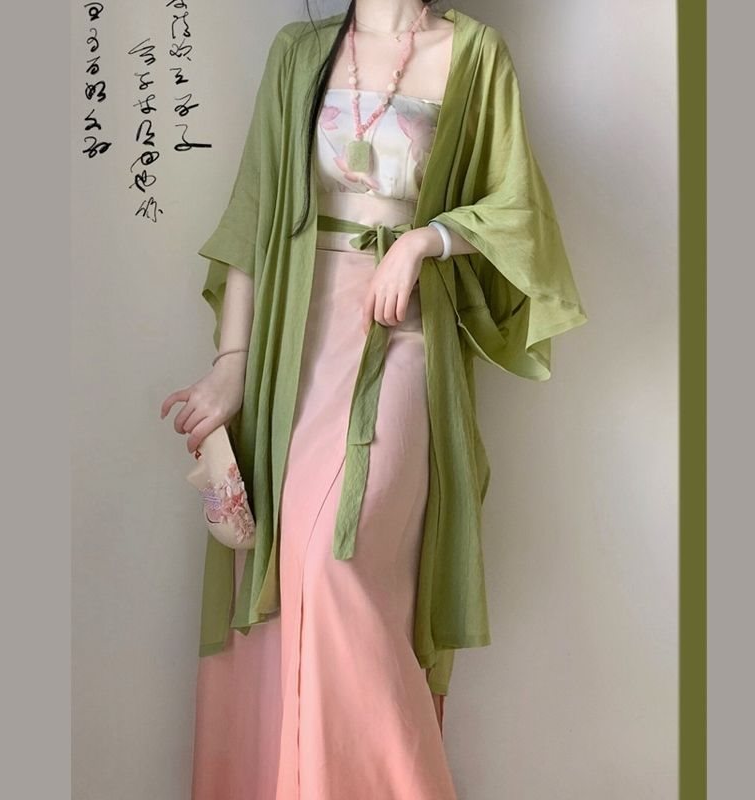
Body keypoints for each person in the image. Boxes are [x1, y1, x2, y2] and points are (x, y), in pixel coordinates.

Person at [160, 1, 588, 797]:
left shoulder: (475, 53)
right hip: (293, 340)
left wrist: (429, 238)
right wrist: (231, 365)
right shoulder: (301, 51)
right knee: (279, 578)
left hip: (402, 338)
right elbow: (254, 216)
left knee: (335, 566)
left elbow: (516, 205)